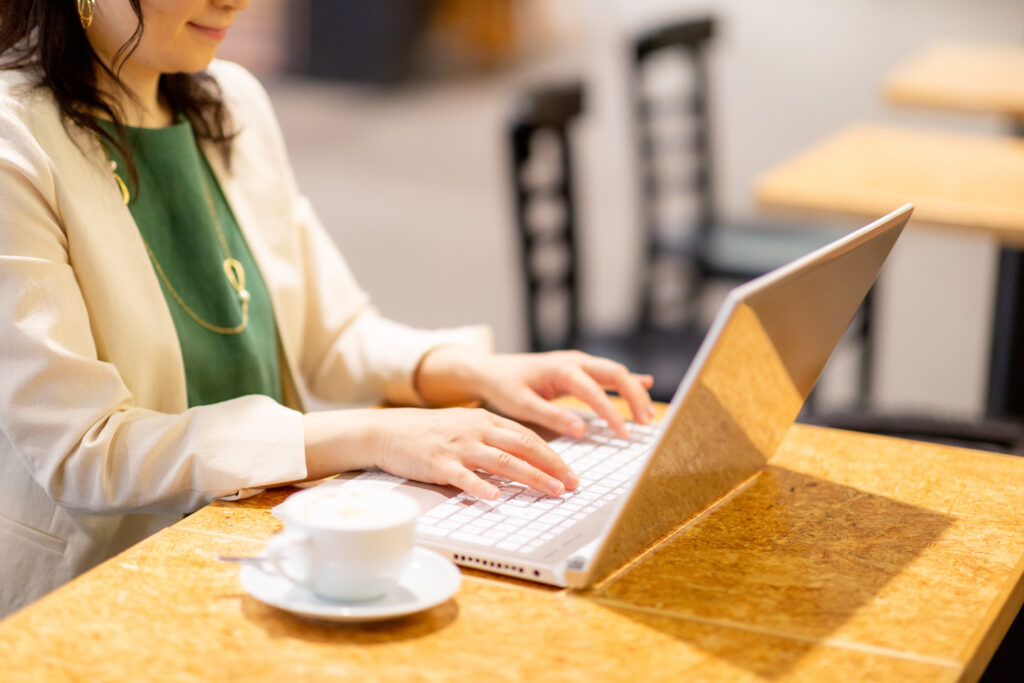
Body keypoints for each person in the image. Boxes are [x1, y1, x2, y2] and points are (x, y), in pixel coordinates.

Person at [0, 0, 654, 616]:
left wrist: (472, 370)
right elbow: (87, 448)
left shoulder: (231, 100)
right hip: (100, 593)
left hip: (253, 554)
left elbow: (330, 332)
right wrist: (373, 436)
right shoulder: (16, 145)